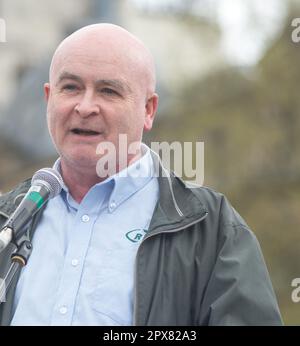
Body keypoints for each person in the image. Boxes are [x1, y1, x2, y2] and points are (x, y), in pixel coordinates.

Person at [0, 23, 282, 326]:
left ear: (148, 110)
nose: (85, 106)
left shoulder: (211, 230)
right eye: (70, 87)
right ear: (48, 97)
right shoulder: (9, 219)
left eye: (108, 91)